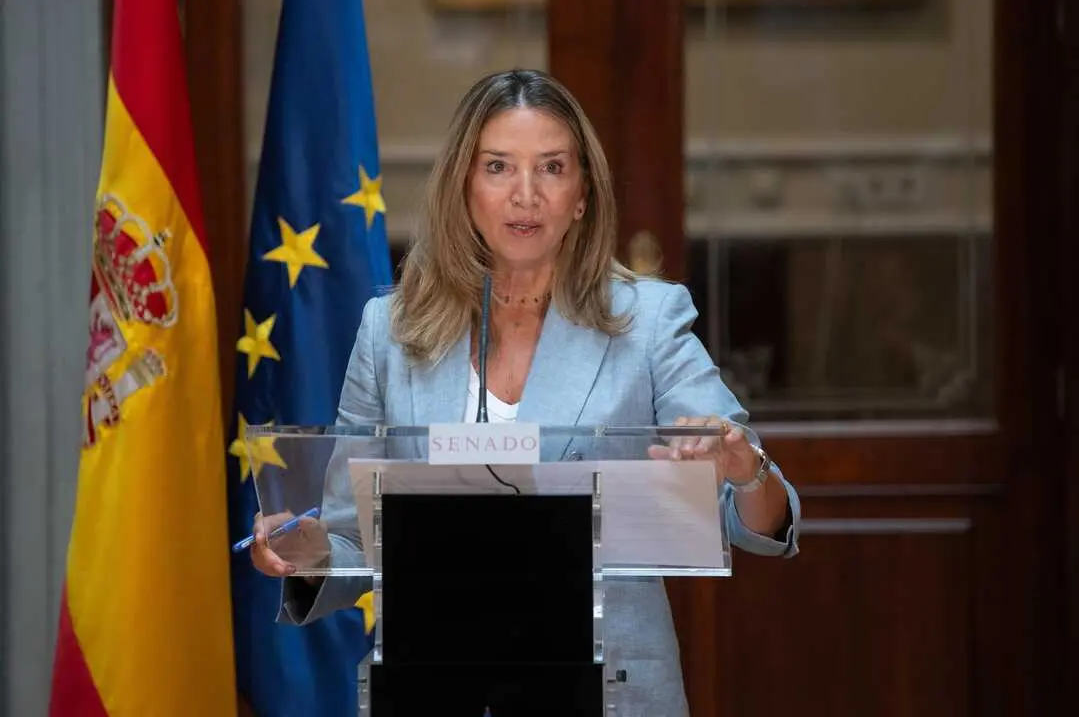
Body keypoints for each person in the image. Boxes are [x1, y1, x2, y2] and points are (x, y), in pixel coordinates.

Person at [251, 68, 801, 714]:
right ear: (463, 187)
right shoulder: (389, 331)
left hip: (605, 694)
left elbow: (760, 520)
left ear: (582, 194)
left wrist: (743, 468)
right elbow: (353, 537)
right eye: (498, 167)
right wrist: (307, 550)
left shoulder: (648, 321)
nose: (525, 195)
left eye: (551, 168)